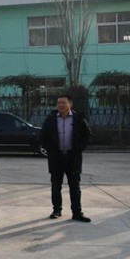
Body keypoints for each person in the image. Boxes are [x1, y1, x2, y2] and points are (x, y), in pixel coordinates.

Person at [40, 94, 92, 223]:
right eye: (59, 103)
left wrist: (79, 148)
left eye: (63, 103)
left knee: (75, 186)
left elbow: (87, 135)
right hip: (56, 158)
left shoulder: (78, 119)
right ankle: (57, 210)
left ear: (70, 104)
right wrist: (50, 149)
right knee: (55, 185)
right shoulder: (51, 119)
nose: (61, 105)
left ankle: (77, 212)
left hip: (73, 157)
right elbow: (43, 136)